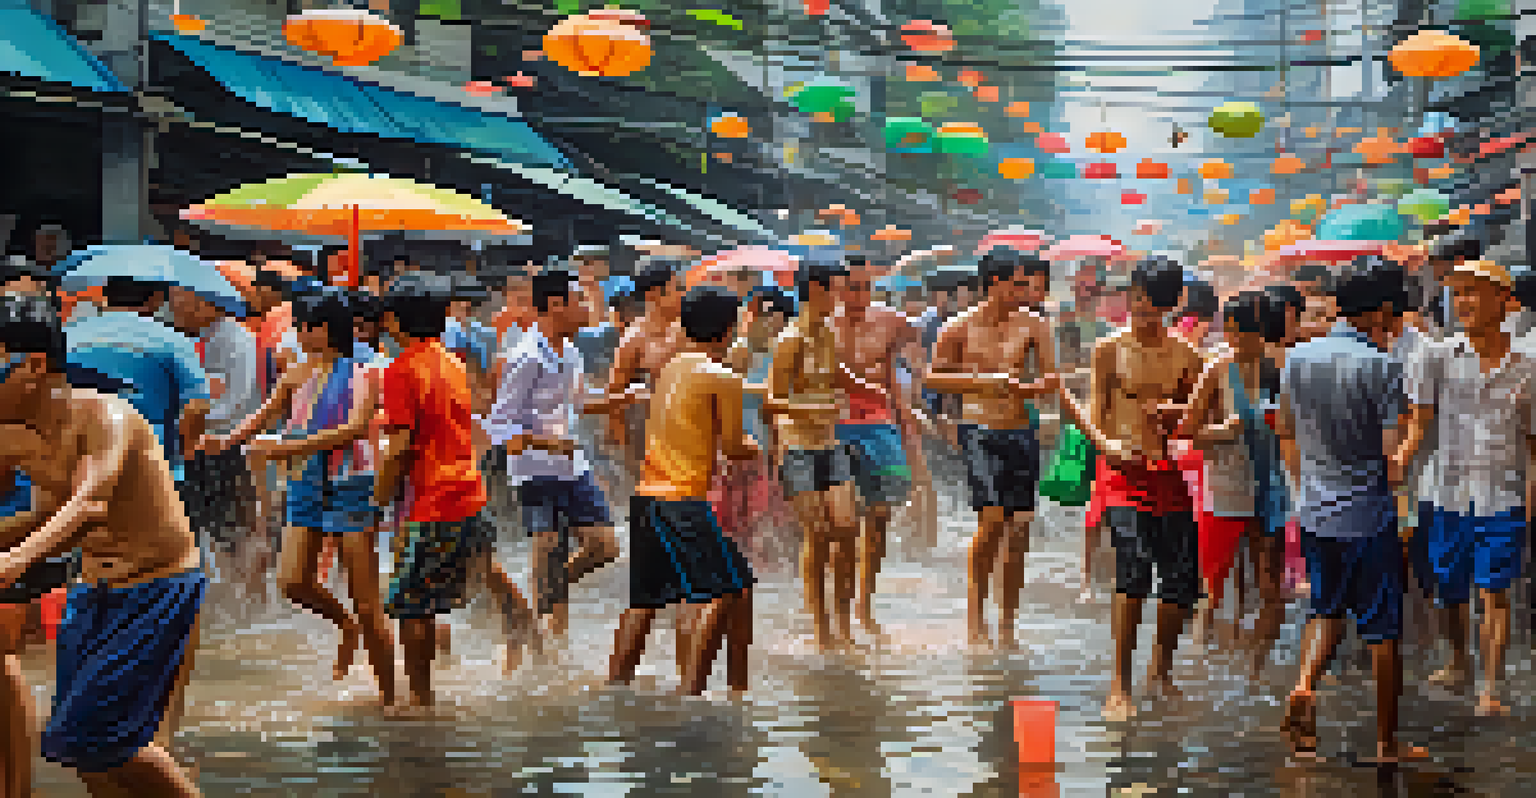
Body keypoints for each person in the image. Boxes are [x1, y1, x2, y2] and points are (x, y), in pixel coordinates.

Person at [0, 292, 205, 797]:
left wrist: (12, 561)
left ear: (33, 365)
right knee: (82, 750)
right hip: (94, 589)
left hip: (157, 586)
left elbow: (89, 506)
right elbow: (48, 515)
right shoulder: (14, 435)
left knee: (107, 742)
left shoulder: (105, 417)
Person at [203, 290, 397, 705]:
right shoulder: (296, 371)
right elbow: (266, 415)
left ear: (323, 330)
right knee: (292, 581)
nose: (296, 333)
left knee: (368, 603)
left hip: (351, 485)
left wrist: (287, 449)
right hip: (305, 483)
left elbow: (355, 429)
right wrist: (228, 440)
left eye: (304, 326)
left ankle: (392, 697)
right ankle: (345, 626)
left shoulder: (365, 373)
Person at [1276, 265, 1423, 762]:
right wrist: (1407, 455)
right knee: (1383, 631)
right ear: (1381, 312)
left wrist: (1304, 491)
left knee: (1325, 610)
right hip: (1368, 515)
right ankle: (1386, 742)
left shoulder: (1297, 359)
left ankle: (1303, 686)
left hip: (1315, 511)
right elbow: (1390, 458)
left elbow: (1288, 434)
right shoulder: (1381, 366)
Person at [1059, 256, 1203, 721]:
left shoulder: (1187, 356)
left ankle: (1160, 672)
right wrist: (1108, 446)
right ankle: (1119, 684)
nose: (1141, 310)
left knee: (1182, 580)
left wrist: (1175, 415)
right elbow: (1090, 410)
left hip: (1169, 473)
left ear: (1169, 304)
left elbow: (1197, 420)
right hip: (1121, 473)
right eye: (1137, 300)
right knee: (1134, 567)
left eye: (1150, 304)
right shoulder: (1108, 349)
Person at [1393, 259, 1534, 718]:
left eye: (1475, 292)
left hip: (1504, 492)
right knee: (1450, 587)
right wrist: (1398, 473)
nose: (1465, 301)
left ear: (1506, 301)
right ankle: (1458, 660)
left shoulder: (1528, 367)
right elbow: (1417, 427)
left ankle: (1490, 686)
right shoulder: (1433, 355)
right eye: (1459, 292)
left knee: (1495, 590)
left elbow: (1534, 443)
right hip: (1445, 491)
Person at [609, 285, 759, 696]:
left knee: (645, 602)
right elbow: (733, 448)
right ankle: (691, 694)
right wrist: (753, 446)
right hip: (681, 502)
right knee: (727, 591)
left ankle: (617, 687)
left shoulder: (670, 368)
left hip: (647, 497)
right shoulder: (722, 377)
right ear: (727, 331)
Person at [923, 249, 1056, 649]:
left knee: (1019, 529)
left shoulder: (1035, 325)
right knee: (992, 521)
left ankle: (1008, 626)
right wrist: (983, 383)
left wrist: (1023, 388)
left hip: (1020, 431)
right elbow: (933, 379)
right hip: (978, 430)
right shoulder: (959, 327)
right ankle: (975, 621)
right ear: (994, 284)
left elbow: (1051, 380)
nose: (1026, 290)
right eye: (1018, 283)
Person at [374, 276, 496, 708]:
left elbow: (401, 446)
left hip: (432, 499)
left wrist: (377, 498)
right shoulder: (453, 363)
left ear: (392, 320)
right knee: (443, 595)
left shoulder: (401, 369)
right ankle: (531, 647)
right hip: (468, 492)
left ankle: (420, 701)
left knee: (412, 606)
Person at [483, 271, 619, 643]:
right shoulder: (525, 357)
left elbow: (576, 402)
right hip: (536, 470)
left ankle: (541, 596)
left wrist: (617, 401)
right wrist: (547, 444)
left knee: (605, 545)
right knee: (548, 547)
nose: (586, 307)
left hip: (571, 465)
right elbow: (498, 427)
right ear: (556, 305)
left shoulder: (570, 351)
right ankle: (546, 648)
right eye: (579, 300)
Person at [1179, 292, 1288, 668]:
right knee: (1212, 587)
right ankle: (1199, 666)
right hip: (1225, 488)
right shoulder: (1217, 370)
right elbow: (1189, 432)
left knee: (1271, 590)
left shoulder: (1283, 368)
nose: (1236, 340)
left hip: (1271, 489)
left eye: (1245, 333)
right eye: (1232, 331)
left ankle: (1257, 667)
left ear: (1265, 333)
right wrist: (1225, 430)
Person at [767, 255, 858, 650]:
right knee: (817, 534)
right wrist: (812, 409)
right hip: (798, 446)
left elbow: (835, 375)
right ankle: (822, 632)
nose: (843, 297)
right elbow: (770, 401)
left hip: (829, 443)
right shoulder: (789, 340)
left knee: (847, 531)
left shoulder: (827, 334)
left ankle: (844, 626)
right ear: (817, 289)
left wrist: (867, 387)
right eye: (838, 288)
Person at [833, 259, 925, 640]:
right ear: (838, 288)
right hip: (836, 425)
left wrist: (911, 412)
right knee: (842, 525)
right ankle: (838, 618)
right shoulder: (821, 326)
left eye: (865, 288)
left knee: (880, 516)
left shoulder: (892, 322)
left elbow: (905, 366)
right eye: (852, 288)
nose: (859, 296)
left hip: (880, 425)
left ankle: (865, 607)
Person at [64, 278, 212, 483]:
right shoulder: (174, 341)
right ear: (157, 299)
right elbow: (196, 407)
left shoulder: (68, 335)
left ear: (106, 296)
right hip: (152, 462)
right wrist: (182, 457)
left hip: (78, 461)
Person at [721, 287, 797, 565]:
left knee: (777, 503)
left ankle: (779, 569)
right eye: (761, 314)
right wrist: (768, 392)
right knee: (743, 503)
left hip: (775, 433)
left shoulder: (786, 349)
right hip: (747, 431)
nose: (765, 321)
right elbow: (726, 388)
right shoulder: (742, 349)